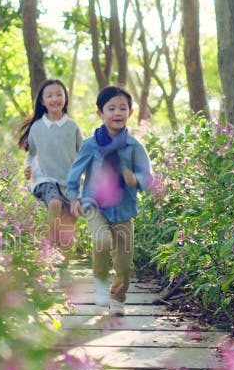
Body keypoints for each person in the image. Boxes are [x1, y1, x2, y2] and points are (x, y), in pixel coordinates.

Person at [66, 86, 154, 316]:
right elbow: (75, 172)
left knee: (124, 264)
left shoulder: (134, 146)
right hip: (95, 205)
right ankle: (101, 283)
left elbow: (148, 175)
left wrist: (135, 178)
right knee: (102, 240)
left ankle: (118, 298)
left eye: (122, 108)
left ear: (130, 113)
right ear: (100, 113)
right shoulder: (90, 144)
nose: (117, 112)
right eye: (111, 108)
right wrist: (74, 197)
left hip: (124, 209)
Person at [17, 79, 83, 283]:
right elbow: (31, 154)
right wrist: (27, 168)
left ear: (65, 98)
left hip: (69, 183)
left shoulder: (72, 127)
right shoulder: (37, 127)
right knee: (53, 203)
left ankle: (63, 269)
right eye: (50, 95)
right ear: (43, 102)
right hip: (44, 179)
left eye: (59, 94)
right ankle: (47, 247)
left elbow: (83, 155)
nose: (55, 98)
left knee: (68, 230)